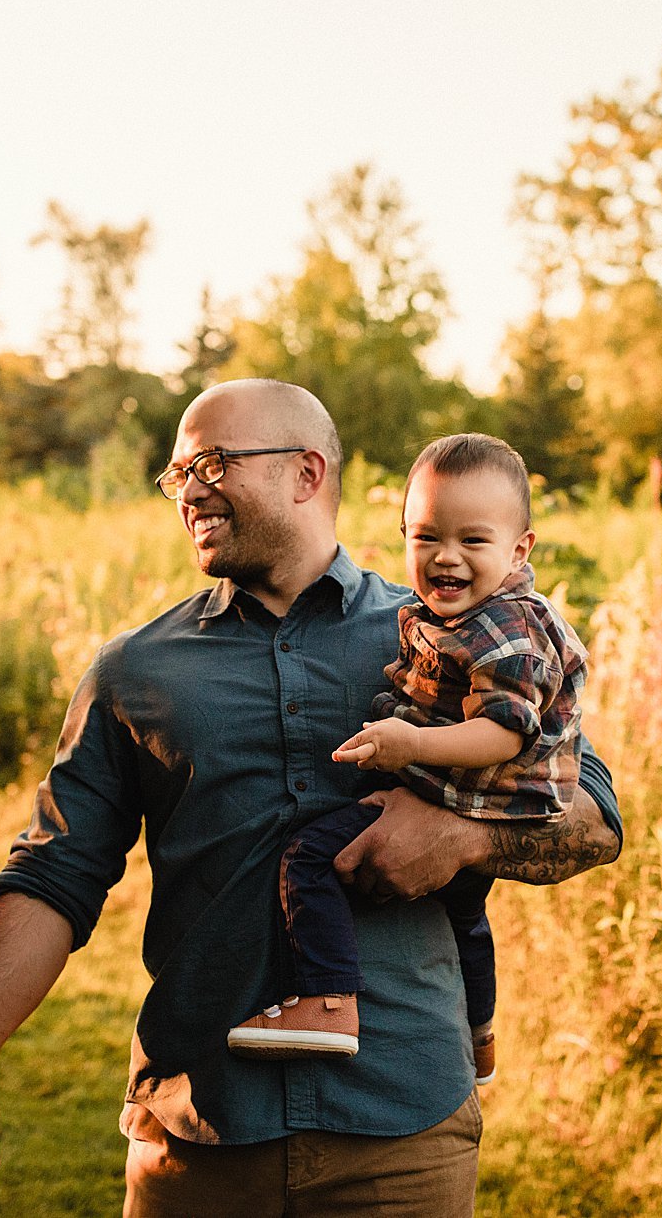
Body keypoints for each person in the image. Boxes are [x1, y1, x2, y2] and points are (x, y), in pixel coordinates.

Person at [0, 380, 622, 1217]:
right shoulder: (135, 672)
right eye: (177, 475)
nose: (189, 492)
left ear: (306, 472)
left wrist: (463, 838)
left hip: (403, 1129)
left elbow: (594, 818)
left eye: (211, 463)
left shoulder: (450, 634)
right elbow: (53, 878)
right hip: (199, 1130)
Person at [226, 433, 586, 1093]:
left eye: (472, 540)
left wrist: (406, 741)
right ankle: (480, 1036)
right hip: (474, 794)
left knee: (309, 858)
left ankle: (330, 1001)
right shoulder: (451, 615)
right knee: (464, 916)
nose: (445, 556)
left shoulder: (505, 626)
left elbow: (504, 732)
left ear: (519, 548)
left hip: (478, 796)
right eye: (425, 537)